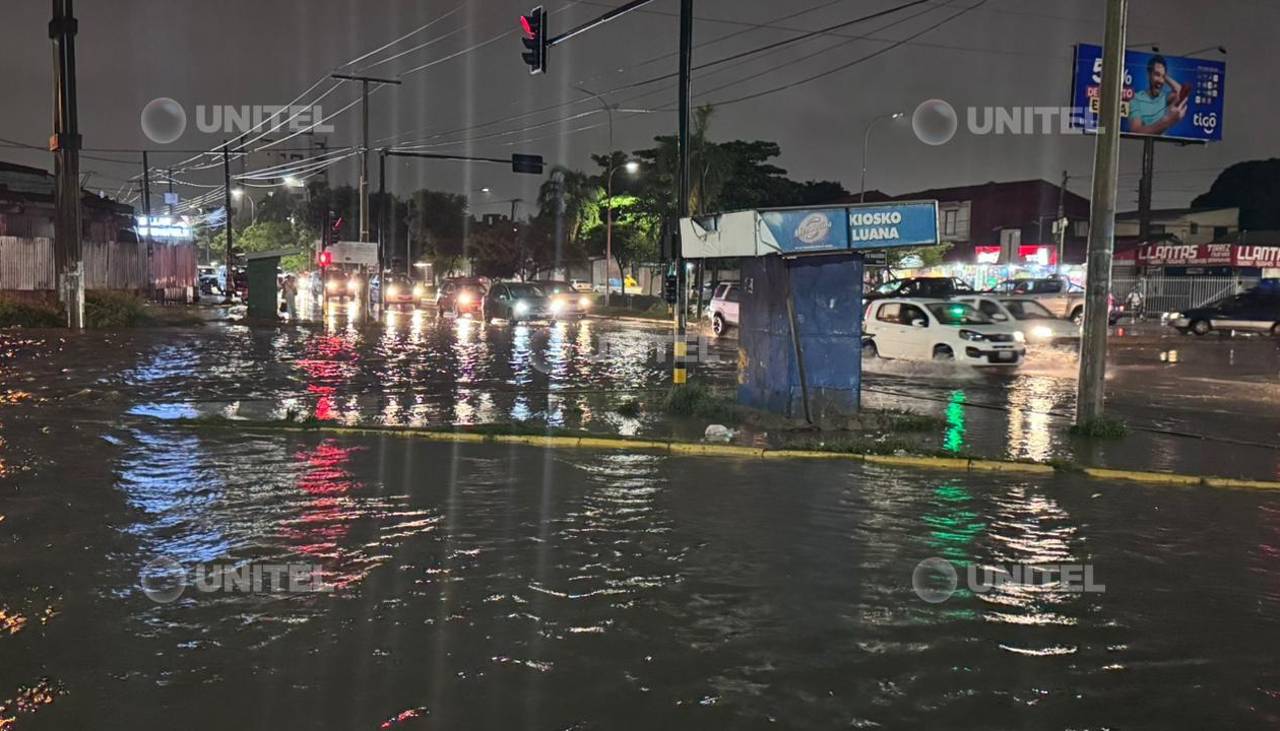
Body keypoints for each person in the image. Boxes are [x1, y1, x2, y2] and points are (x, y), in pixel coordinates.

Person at [1128, 55, 1188, 136]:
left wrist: (1165, 77)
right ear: (1149, 74)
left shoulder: (1164, 97)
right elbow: (1136, 131)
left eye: (1162, 77)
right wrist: (1167, 122)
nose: (1160, 80)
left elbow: (1181, 93)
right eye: (1157, 74)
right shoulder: (1136, 98)